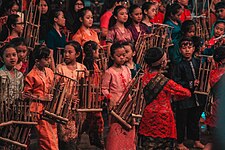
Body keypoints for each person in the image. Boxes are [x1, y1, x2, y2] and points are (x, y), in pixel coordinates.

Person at [138, 47, 191, 149]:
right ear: (162, 63)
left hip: (147, 115)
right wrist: (172, 98)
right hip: (163, 118)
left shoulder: (142, 78)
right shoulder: (166, 82)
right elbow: (186, 93)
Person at [172, 37, 206, 150]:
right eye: (184, 47)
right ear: (180, 50)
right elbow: (176, 81)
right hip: (183, 98)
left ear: (193, 48)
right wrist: (190, 83)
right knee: (182, 120)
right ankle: (180, 142)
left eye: (189, 47)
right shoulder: (178, 65)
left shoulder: (198, 62)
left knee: (194, 120)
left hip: (196, 97)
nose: (187, 50)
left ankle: (196, 140)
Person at [101, 42, 135, 150]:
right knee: (116, 128)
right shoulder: (109, 72)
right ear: (112, 56)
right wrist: (110, 98)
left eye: (124, 55)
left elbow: (130, 84)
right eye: (119, 55)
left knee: (128, 128)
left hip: (128, 103)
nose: (122, 58)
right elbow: (104, 89)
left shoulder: (127, 69)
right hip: (115, 105)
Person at [24, 45, 58, 150]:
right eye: (46, 58)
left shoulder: (49, 71)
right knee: (46, 139)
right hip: (38, 110)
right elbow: (26, 94)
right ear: (37, 60)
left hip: (51, 108)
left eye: (49, 58)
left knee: (53, 137)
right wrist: (42, 98)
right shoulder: (31, 75)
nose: (48, 61)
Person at [55, 41, 87, 150]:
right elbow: (57, 88)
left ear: (77, 54)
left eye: (70, 52)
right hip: (63, 107)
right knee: (65, 137)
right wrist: (68, 96)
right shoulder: (60, 68)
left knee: (76, 134)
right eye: (65, 52)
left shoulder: (82, 68)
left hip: (77, 106)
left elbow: (84, 88)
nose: (66, 55)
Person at [82, 40, 105, 149]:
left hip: (95, 96)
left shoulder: (95, 64)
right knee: (92, 119)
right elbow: (87, 81)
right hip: (90, 96)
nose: (98, 53)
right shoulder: (87, 65)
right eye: (97, 51)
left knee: (93, 120)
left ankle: (94, 139)